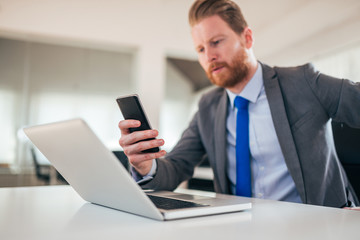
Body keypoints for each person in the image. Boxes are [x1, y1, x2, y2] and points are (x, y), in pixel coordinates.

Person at [118, 0, 360, 208]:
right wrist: (146, 166)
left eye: (216, 42)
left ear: (247, 38)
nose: (208, 56)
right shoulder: (207, 107)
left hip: (313, 229)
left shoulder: (303, 83)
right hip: (239, 229)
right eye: (200, 49)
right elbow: (175, 166)